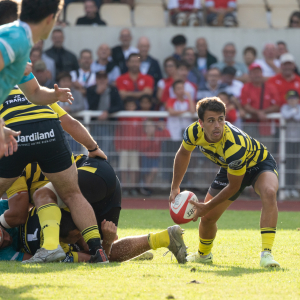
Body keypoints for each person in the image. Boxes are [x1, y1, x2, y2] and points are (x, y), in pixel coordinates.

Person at [0, 86, 107, 264]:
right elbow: (71, 124)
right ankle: (98, 250)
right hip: (49, 129)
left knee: (36, 199)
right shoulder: (31, 89)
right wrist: (93, 148)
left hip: (15, 135)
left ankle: (51, 247)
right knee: (73, 194)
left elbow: (18, 213)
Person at [169, 97, 281, 268]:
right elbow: (184, 153)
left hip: (259, 164)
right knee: (207, 219)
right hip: (230, 168)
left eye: (221, 119)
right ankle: (203, 255)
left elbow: (235, 186)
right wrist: (175, 186)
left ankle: (267, 254)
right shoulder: (193, 132)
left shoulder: (234, 145)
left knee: (269, 192)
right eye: (211, 120)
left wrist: (208, 205)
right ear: (201, 123)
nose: (217, 125)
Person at [0, 0, 74, 158]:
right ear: (50, 19)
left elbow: (33, 93)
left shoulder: (20, 40)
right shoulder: (16, 38)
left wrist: (55, 95)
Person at [240, 63, 280, 143]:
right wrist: (258, 113)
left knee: (267, 150)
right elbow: (245, 105)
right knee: (250, 150)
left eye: (258, 72)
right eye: (254, 73)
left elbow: (277, 105)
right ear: (250, 75)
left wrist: (263, 112)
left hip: (266, 124)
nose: (256, 75)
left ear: (262, 73)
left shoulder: (270, 87)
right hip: (250, 124)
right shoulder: (245, 87)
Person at [87, 71, 123, 155]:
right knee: (93, 148)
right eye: (99, 78)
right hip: (94, 124)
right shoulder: (91, 89)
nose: (102, 80)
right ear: (96, 80)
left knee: (106, 149)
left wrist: (108, 112)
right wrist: (97, 94)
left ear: (107, 79)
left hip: (109, 124)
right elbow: (90, 106)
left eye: (104, 78)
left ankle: (104, 166)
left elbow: (120, 105)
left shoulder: (113, 89)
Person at [114, 97, 142, 196]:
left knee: (134, 168)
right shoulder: (122, 117)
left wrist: (140, 146)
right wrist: (117, 145)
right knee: (123, 168)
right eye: (128, 106)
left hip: (135, 147)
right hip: (123, 147)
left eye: (132, 105)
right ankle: (125, 187)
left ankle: (133, 187)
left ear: (135, 106)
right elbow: (118, 132)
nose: (130, 107)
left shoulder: (139, 117)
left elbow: (141, 132)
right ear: (125, 107)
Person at [139, 120, 170, 196]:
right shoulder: (143, 136)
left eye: (151, 126)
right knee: (146, 173)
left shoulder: (158, 134)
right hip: (145, 157)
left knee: (154, 170)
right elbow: (143, 148)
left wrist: (163, 128)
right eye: (148, 126)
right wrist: (149, 138)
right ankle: (146, 188)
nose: (150, 128)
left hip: (155, 157)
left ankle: (146, 186)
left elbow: (168, 136)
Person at [280, 90, 300, 199]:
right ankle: (287, 188)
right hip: (287, 140)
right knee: (287, 164)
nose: (292, 100)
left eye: (294, 98)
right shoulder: (284, 107)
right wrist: (294, 111)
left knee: (295, 164)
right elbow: (286, 115)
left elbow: (298, 118)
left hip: (298, 140)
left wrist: (294, 112)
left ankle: (293, 187)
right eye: (290, 98)